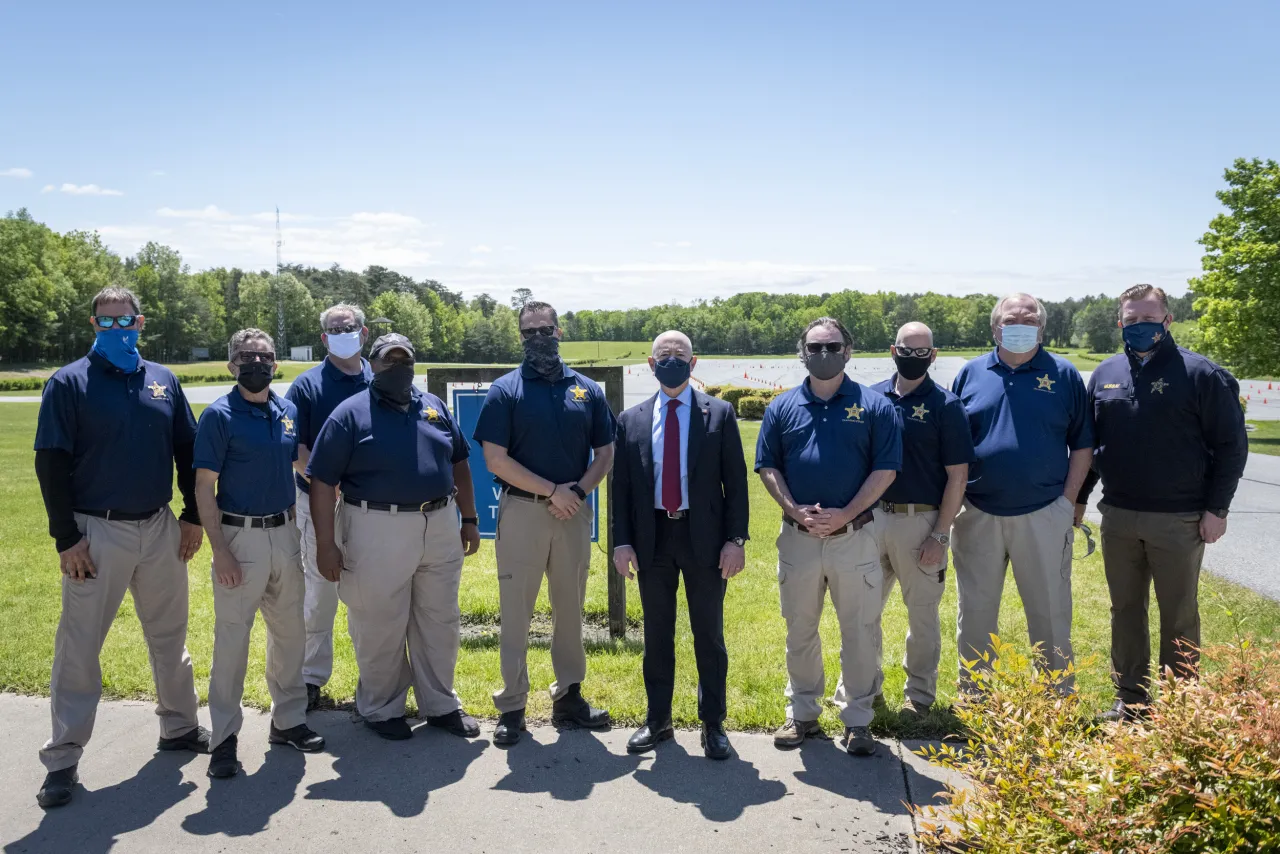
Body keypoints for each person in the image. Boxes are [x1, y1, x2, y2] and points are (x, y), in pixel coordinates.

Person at [32, 286, 209, 809]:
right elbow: (50, 462)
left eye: (124, 321)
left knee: (169, 635)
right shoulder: (69, 383)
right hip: (96, 532)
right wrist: (67, 538)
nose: (116, 329)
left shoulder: (162, 380)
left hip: (157, 527)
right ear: (93, 325)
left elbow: (186, 448)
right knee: (80, 648)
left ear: (140, 321)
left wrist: (193, 515)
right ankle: (62, 758)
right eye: (105, 322)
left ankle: (178, 727)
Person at [1078, 284, 1248, 722]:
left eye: (1149, 318)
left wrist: (1218, 509)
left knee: (1178, 614)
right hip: (1117, 515)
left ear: (1167, 320)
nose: (1139, 326)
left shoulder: (1202, 374)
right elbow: (1092, 448)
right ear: (1120, 322)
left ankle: (1181, 707)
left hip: (1179, 518)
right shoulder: (1105, 374)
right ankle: (1131, 698)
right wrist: (1079, 501)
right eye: (1131, 320)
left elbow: (1231, 447)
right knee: (1125, 610)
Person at [307, 333, 482, 741]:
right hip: (374, 526)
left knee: (440, 620)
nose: (398, 368)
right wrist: (325, 544)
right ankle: (382, 708)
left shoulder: (433, 407)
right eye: (389, 361)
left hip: (438, 522)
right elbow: (320, 483)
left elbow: (459, 463)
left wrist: (469, 519)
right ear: (373, 365)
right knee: (379, 622)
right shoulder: (349, 414)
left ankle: (440, 704)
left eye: (405, 360)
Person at [756, 317, 901, 757]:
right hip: (798, 538)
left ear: (848, 351)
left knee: (859, 629)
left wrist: (846, 514)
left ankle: (857, 719)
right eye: (814, 347)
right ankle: (802, 714)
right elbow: (768, 466)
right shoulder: (782, 407)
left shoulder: (874, 406)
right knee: (800, 629)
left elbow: (886, 469)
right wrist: (793, 509)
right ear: (802, 353)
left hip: (854, 537)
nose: (823, 354)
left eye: (831, 346)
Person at [473, 301, 616, 746]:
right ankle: (513, 704)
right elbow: (495, 459)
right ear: (521, 337)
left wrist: (575, 492)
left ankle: (569, 696)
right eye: (528, 331)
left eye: (545, 329)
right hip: (522, 512)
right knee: (516, 609)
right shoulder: (506, 389)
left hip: (572, 511)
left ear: (559, 332)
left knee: (570, 608)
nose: (538, 337)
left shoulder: (586, 389)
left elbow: (606, 453)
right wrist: (551, 489)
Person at [194, 329, 326, 778]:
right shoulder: (218, 416)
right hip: (239, 538)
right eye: (246, 357)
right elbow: (203, 488)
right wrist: (220, 552)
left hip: (285, 532)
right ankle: (225, 738)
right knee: (233, 640)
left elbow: (299, 464)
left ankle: (288, 720)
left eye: (265, 356)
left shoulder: (286, 410)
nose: (257, 363)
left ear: (276, 362)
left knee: (290, 634)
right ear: (231, 365)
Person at [613, 331, 750, 760]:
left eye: (681, 355)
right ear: (650, 365)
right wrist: (621, 542)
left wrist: (736, 539)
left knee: (708, 634)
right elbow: (620, 489)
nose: (672, 360)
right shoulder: (630, 420)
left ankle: (713, 724)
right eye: (663, 355)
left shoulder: (719, 414)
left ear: (693, 365)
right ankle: (658, 720)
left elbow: (737, 484)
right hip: (653, 539)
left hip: (705, 540)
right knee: (657, 635)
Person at [950, 293, 1093, 693]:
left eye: (1029, 319)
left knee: (1050, 613)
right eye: (1011, 319)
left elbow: (1082, 445)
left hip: (1044, 512)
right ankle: (976, 698)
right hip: (978, 513)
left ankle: (1055, 698)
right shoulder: (970, 374)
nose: (1020, 324)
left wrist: (1067, 502)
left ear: (1041, 328)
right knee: (976, 613)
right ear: (995, 327)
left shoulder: (1064, 375)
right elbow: (955, 444)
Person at [870, 322, 974, 719]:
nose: (912, 359)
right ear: (891, 350)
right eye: (905, 351)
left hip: (921, 522)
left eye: (921, 353)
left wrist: (940, 534)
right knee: (862, 610)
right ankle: (865, 689)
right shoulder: (870, 398)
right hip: (872, 520)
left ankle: (919, 695)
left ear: (933, 356)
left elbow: (958, 476)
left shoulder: (946, 406)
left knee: (923, 615)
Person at [284, 303, 372, 711]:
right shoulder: (307, 386)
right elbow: (294, 447)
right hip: (319, 502)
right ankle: (310, 678)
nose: (343, 332)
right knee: (320, 591)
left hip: (371, 506)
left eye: (349, 326)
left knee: (369, 592)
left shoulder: (379, 376)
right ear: (324, 338)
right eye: (335, 329)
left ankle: (373, 679)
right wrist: (326, 482)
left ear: (364, 332)